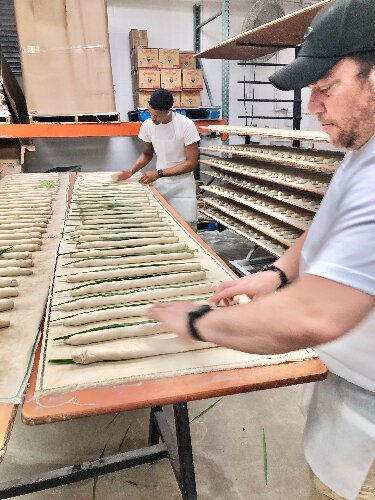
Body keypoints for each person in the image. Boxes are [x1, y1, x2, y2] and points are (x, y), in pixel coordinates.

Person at [148, 1, 375, 498]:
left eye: (326, 88)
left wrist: (195, 322)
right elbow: (325, 227)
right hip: (348, 394)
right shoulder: (363, 149)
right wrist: (275, 275)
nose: (313, 106)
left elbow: (314, 318)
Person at [117, 88, 200, 228]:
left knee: (187, 227)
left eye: (157, 115)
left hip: (183, 185)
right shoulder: (148, 125)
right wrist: (131, 171)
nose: (153, 118)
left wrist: (159, 173)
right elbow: (147, 154)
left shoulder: (186, 125)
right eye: (150, 113)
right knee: (163, 226)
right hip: (161, 183)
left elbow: (191, 163)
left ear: (169, 111)